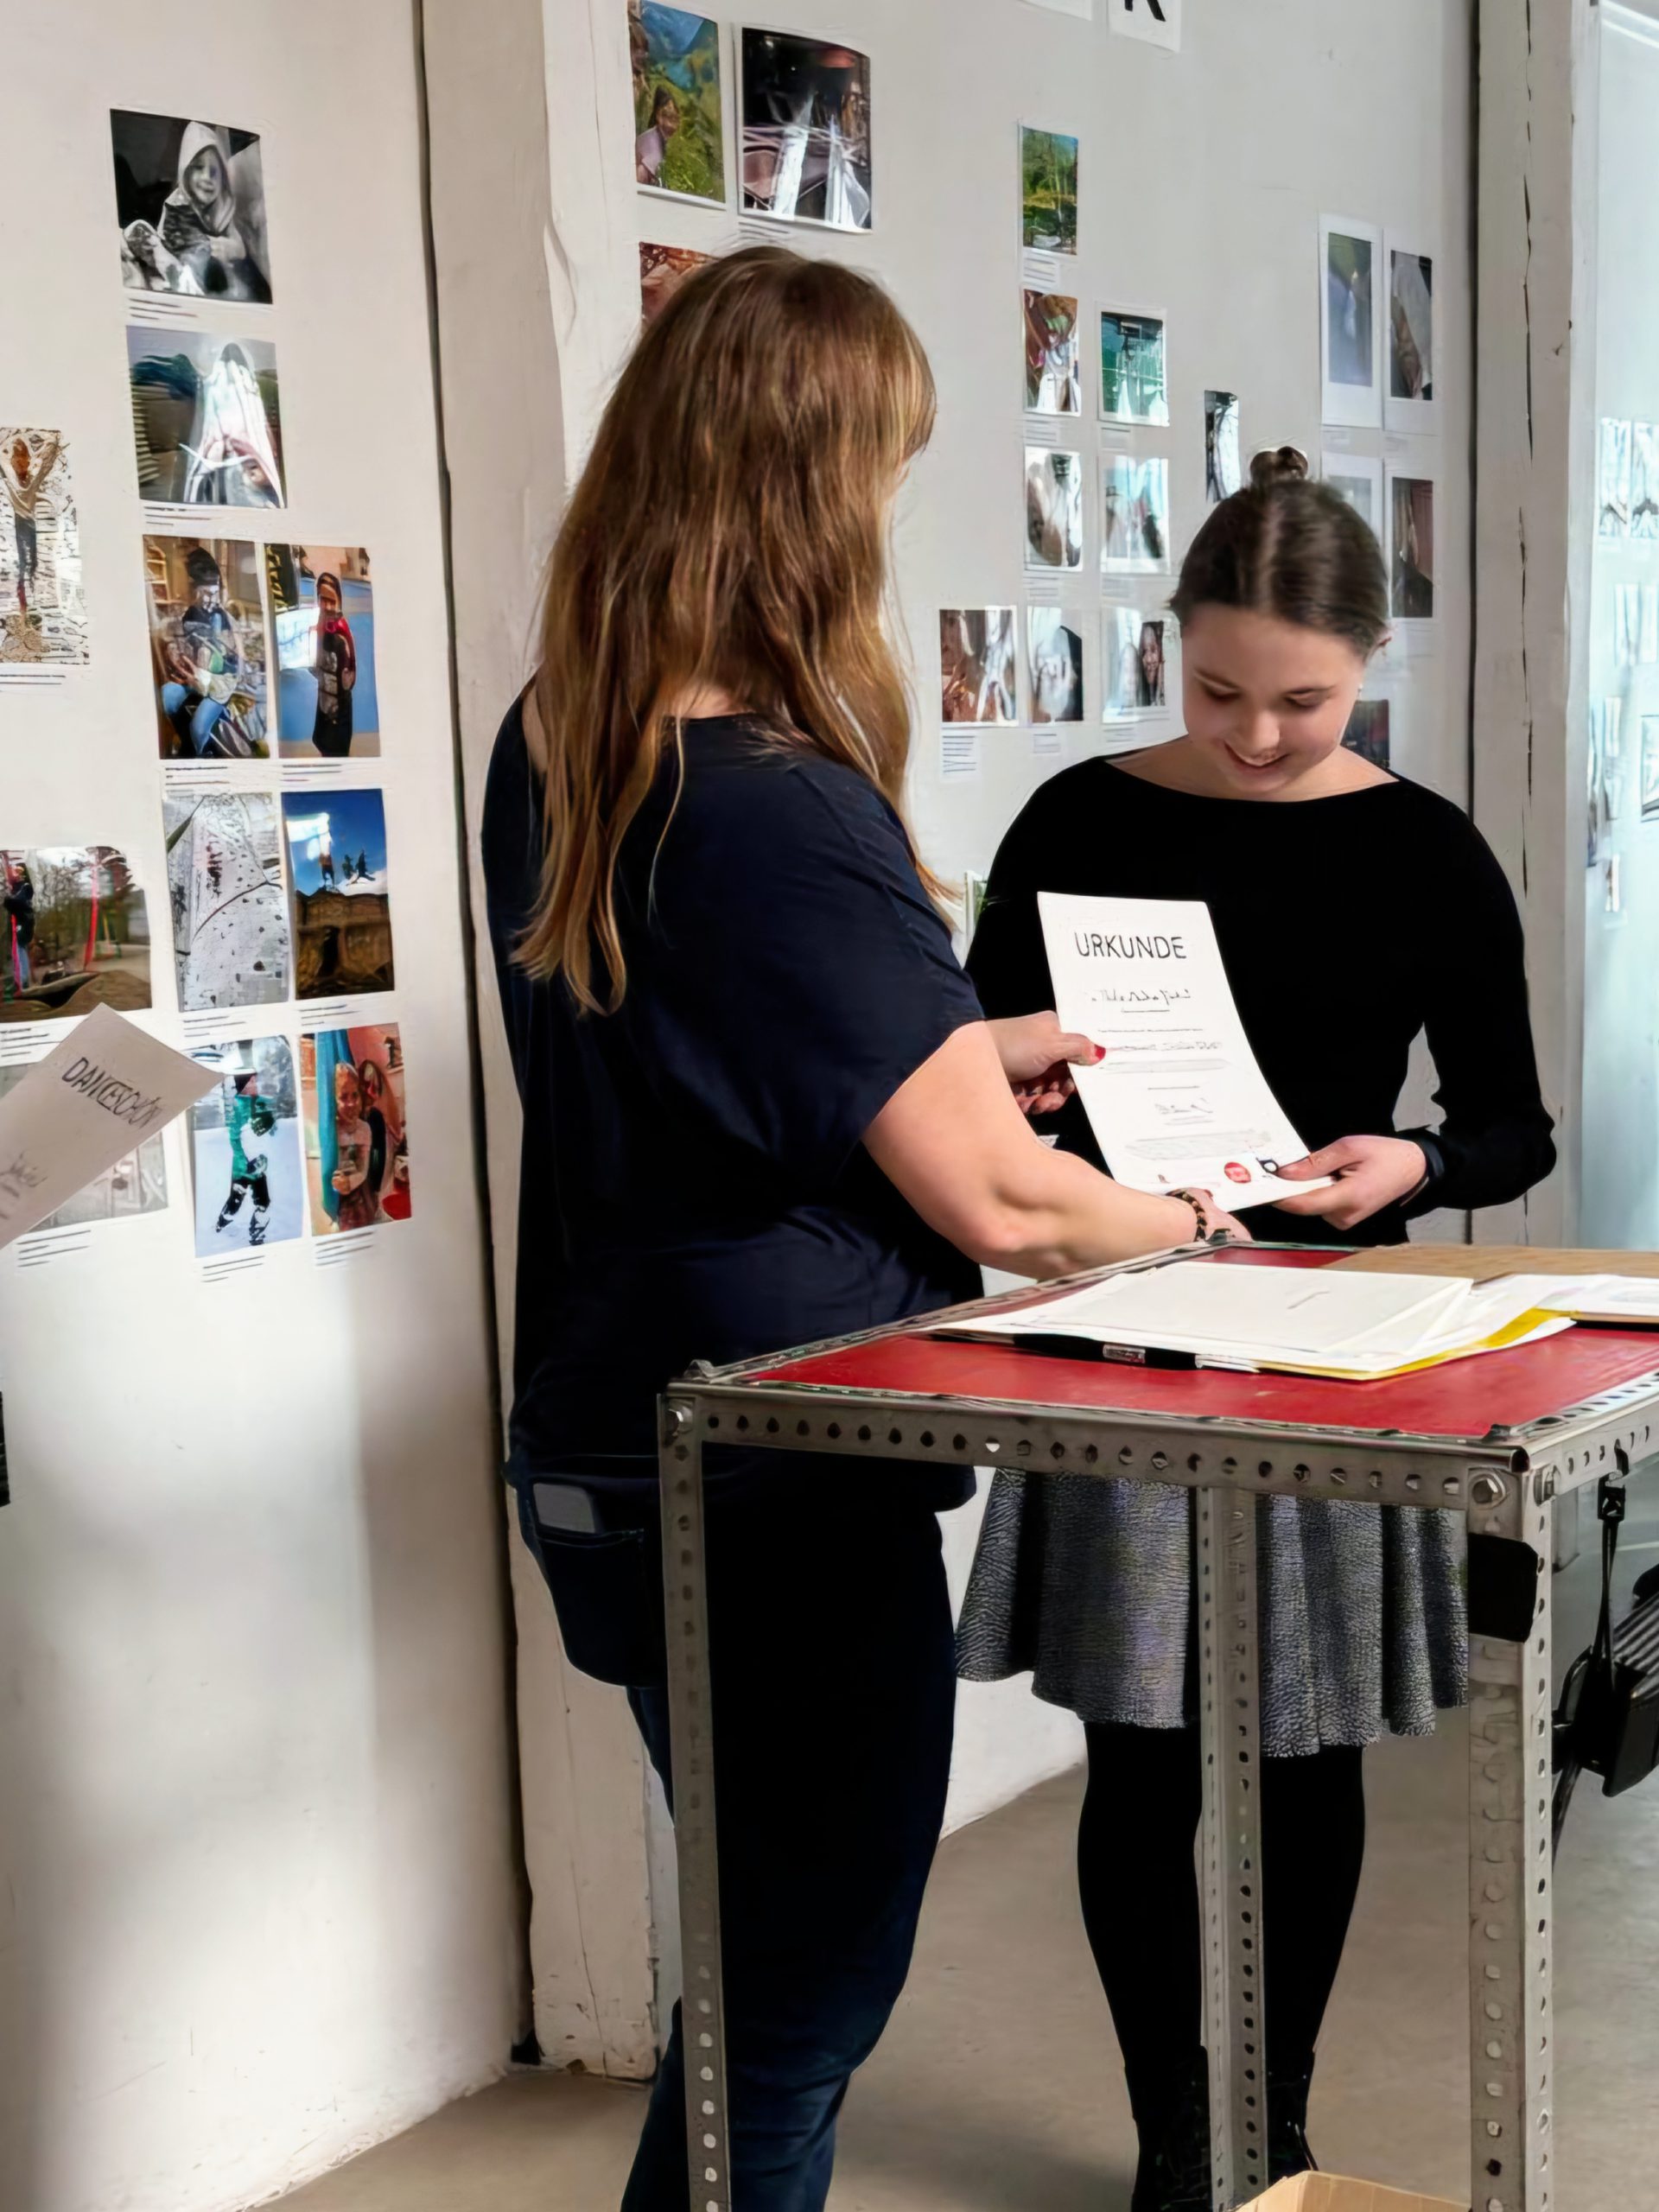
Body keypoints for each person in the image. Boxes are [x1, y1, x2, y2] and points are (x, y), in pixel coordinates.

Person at [480, 245, 1248, 2212]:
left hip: (613, 1439)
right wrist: (1199, 1202)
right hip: (778, 1464)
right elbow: (1007, 1199)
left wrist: (945, 1046)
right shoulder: (782, 799)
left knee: (757, 1991)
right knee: (794, 2015)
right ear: (818, 490)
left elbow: (697, 1049)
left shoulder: (564, 736)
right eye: (889, 471)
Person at [957, 444, 1556, 2210]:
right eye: (1218, 690)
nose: (1258, 733)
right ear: (1176, 643)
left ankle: (1273, 2129)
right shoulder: (1073, 820)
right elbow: (969, 1073)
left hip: (1327, 1345)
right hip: (1128, 1328)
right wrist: (1030, 1122)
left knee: (1307, 1745)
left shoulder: (1428, 851)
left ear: (1369, 659)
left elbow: (1511, 1124)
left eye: (1303, 699)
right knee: (1142, 1753)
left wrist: (1418, 1162)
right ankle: (1173, 2138)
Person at [156, 122, 268, 301]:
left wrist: (233, 250)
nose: (207, 177)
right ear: (186, 170)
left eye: (214, 171)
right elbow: (176, 248)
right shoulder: (176, 208)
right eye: (199, 168)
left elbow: (239, 248)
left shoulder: (222, 209)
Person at [159, 545, 245, 757]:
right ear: (194, 592)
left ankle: (204, 752)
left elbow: (236, 666)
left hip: (219, 684)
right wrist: (177, 656)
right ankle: (187, 742)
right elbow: (184, 647)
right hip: (194, 680)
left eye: (215, 594)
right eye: (205, 594)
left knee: (198, 727)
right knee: (167, 695)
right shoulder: (188, 616)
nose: (211, 599)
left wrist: (206, 676)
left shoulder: (226, 621)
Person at [214, 1070, 276, 1246]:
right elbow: (234, 1139)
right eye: (252, 1082)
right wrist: (244, 1162)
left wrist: (270, 1121)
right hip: (243, 1168)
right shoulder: (237, 1106)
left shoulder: (259, 1102)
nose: (256, 1085)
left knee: (263, 1202)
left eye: (256, 1081)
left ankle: (256, 1233)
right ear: (244, 1086)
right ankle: (222, 1222)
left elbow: (268, 1128)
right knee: (235, 1203)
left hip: (258, 1166)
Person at [2, 434, 60, 613]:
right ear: (13, 461)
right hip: (21, 524)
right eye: (17, 460)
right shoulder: (11, 476)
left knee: (31, 563)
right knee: (23, 564)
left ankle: (29, 599)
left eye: (24, 460)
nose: (21, 464)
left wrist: (49, 444)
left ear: (27, 460)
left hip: (28, 523)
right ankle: (24, 603)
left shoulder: (31, 475)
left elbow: (47, 459)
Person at [308, 574, 358, 756]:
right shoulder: (321, 623)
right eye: (323, 600)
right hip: (324, 696)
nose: (327, 606)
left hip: (338, 701)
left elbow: (350, 670)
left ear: (338, 601)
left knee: (336, 746)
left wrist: (345, 677)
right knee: (324, 740)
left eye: (331, 601)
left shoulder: (341, 629)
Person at [328, 1062, 380, 1230]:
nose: (351, 1103)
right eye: (344, 1097)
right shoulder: (331, 1131)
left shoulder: (365, 1129)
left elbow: (363, 1170)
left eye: (355, 1095)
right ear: (333, 1100)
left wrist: (349, 1183)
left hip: (358, 1191)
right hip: (337, 1199)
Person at [635, 84, 681, 185]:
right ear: (659, 116)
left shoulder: (660, 139)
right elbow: (639, 176)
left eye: (676, 119)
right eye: (669, 118)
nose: (674, 126)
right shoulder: (653, 148)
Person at [3, 859, 35, 995]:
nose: (15, 873)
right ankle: (19, 981)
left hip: (24, 922)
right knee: (16, 951)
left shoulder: (26, 887)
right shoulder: (15, 888)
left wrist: (9, 900)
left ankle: (23, 981)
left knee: (20, 950)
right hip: (16, 923)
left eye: (18, 871)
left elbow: (19, 902)